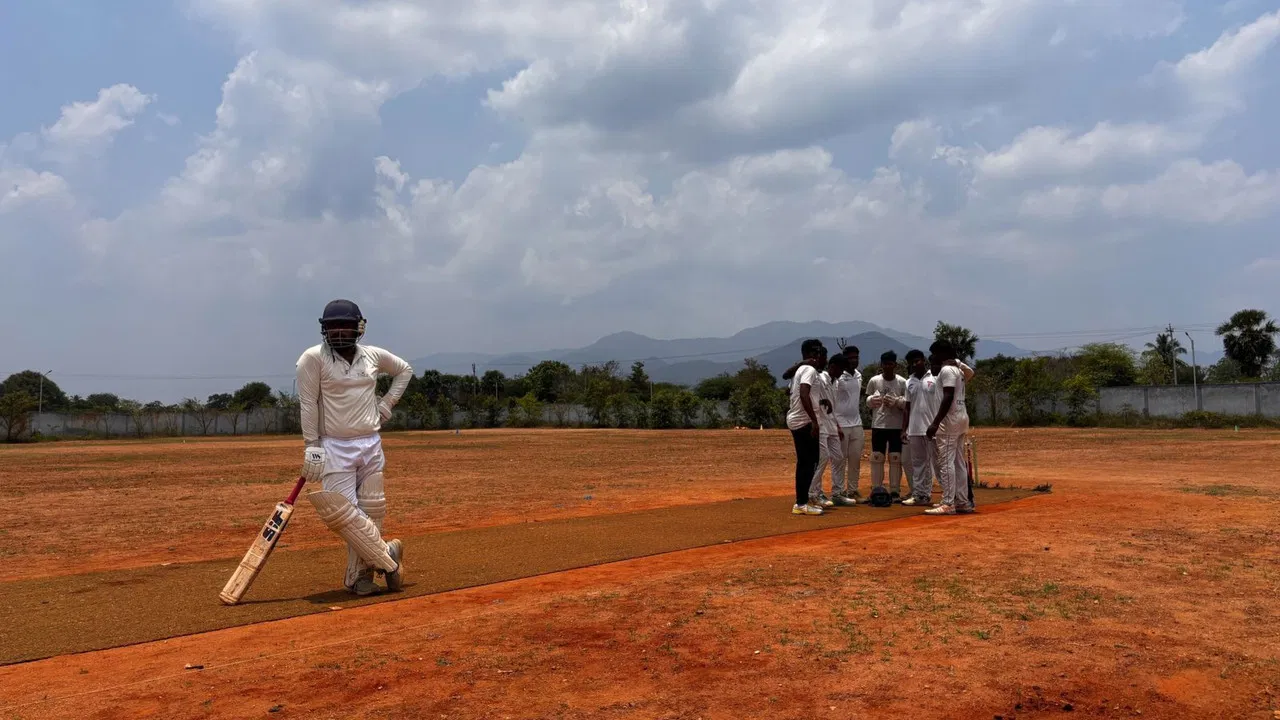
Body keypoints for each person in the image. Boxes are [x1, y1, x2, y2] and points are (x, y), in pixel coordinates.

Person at [296, 299, 413, 595]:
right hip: (335, 445)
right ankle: (389, 557)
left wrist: (386, 405)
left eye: (345, 326)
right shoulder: (313, 358)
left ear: (358, 327)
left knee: (373, 511)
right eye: (332, 327)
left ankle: (359, 578)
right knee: (342, 516)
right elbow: (308, 403)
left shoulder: (373, 355)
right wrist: (311, 445)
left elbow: (404, 370)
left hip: (371, 443)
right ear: (324, 330)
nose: (338, 332)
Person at [925, 340, 977, 516]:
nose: (932, 357)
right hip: (961, 418)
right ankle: (962, 501)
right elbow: (971, 373)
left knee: (945, 462)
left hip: (949, 421)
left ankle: (948, 502)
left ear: (942, 354)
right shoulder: (958, 370)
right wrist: (958, 362)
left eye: (934, 354)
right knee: (958, 462)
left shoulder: (947, 370)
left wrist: (935, 422)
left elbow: (947, 397)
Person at [785, 339, 826, 516]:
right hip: (804, 422)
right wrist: (814, 421)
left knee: (809, 461)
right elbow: (803, 394)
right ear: (807, 354)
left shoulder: (800, 370)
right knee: (807, 462)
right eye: (814, 352)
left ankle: (803, 500)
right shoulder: (808, 369)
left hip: (799, 420)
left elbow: (791, 391)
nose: (817, 356)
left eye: (819, 352)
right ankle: (801, 503)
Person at [864, 350, 909, 501]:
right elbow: (868, 401)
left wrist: (898, 402)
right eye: (885, 364)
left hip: (896, 425)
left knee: (895, 457)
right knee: (877, 457)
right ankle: (876, 489)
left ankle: (895, 491)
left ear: (895, 365)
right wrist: (871, 401)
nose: (887, 367)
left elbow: (908, 405)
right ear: (881, 365)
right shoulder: (874, 381)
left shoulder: (902, 382)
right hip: (878, 425)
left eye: (890, 364)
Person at [809, 352, 848, 508]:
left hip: (831, 423)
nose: (841, 372)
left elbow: (834, 406)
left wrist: (837, 426)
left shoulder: (836, 382)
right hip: (821, 423)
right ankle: (814, 493)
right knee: (822, 458)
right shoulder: (820, 378)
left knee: (838, 457)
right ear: (832, 366)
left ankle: (837, 493)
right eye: (840, 369)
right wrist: (821, 401)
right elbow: (810, 395)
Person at [901, 349, 938, 506]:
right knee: (917, 463)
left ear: (924, 360)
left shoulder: (935, 378)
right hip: (914, 429)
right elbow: (907, 408)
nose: (915, 364)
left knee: (934, 463)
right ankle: (918, 495)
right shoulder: (908, 382)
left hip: (932, 428)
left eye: (917, 361)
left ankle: (933, 495)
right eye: (912, 363)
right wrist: (904, 429)